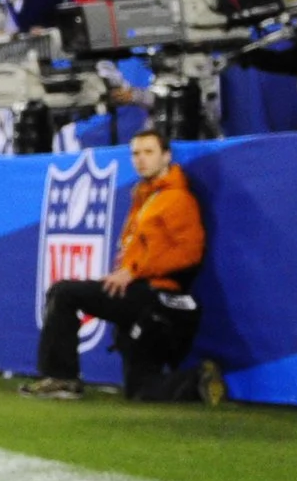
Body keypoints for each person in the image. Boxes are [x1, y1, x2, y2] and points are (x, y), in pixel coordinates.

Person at [28, 128, 207, 400]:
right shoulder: (145, 197)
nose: (140, 159)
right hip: (140, 291)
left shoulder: (178, 199)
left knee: (64, 292)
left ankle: (61, 378)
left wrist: (134, 271)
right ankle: (198, 381)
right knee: (141, 390)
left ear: (166, 156)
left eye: (149, 152)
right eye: (135, 153)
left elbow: (190, 253)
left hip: (155, 293)